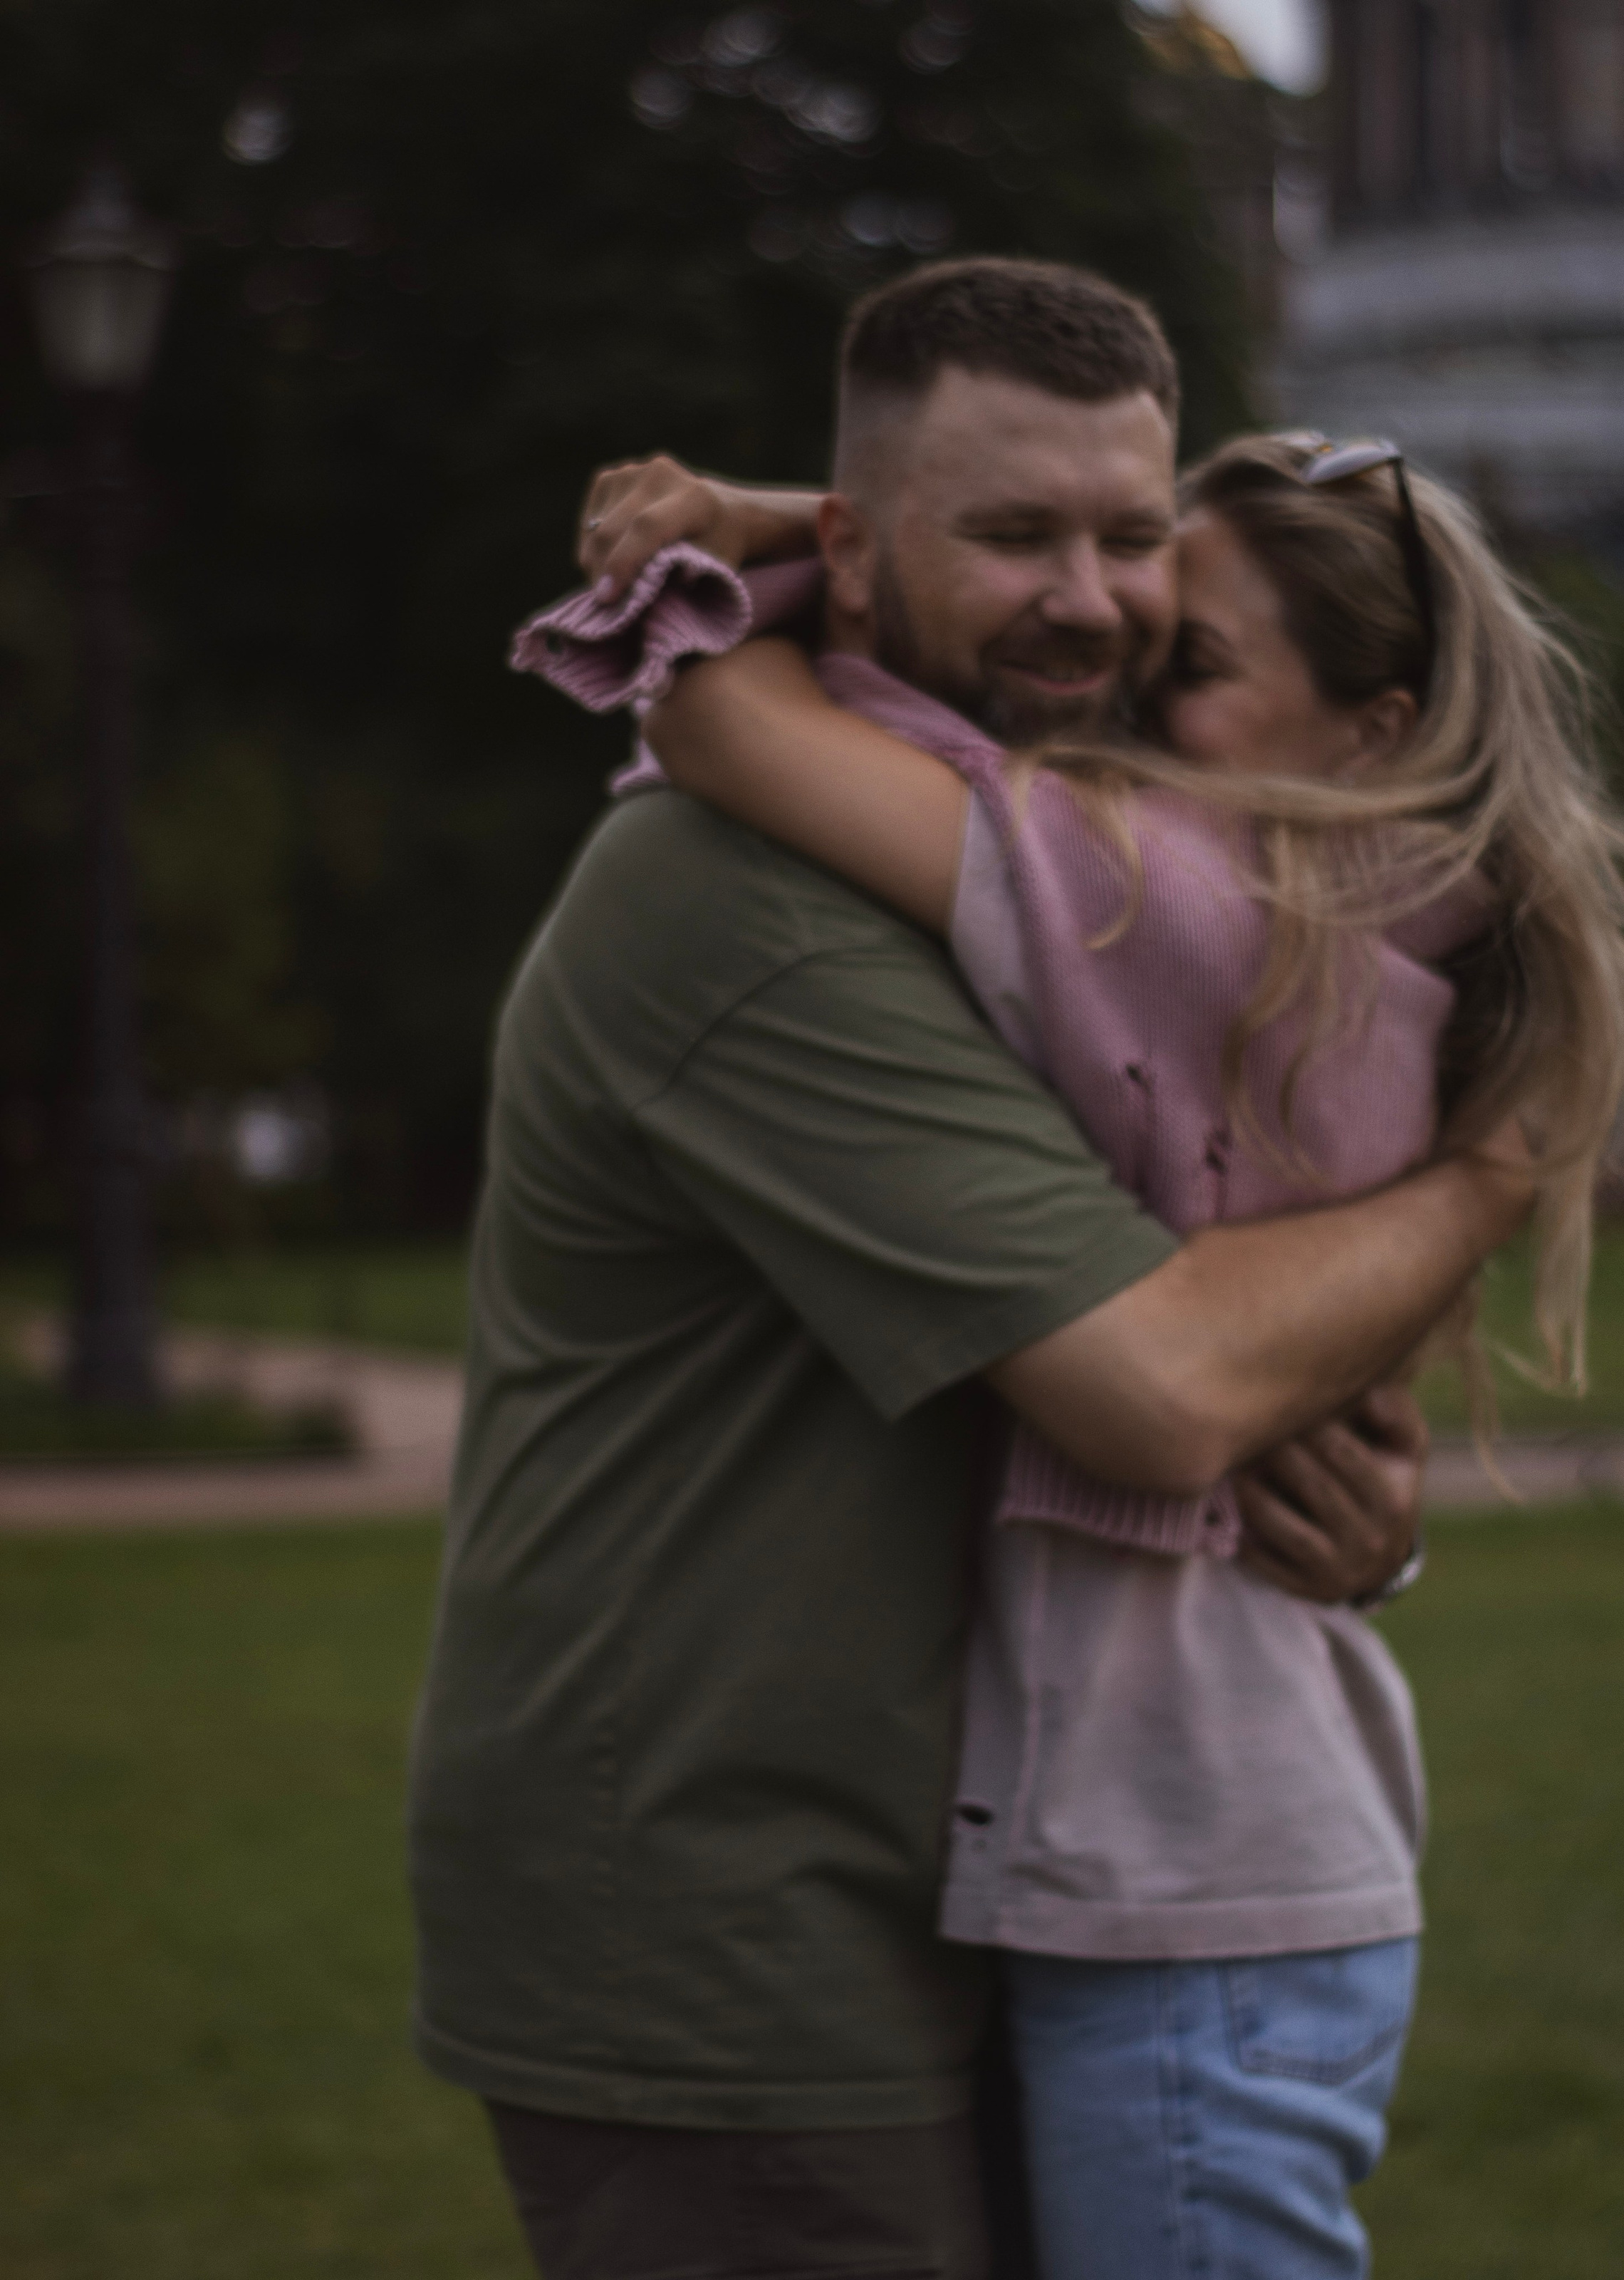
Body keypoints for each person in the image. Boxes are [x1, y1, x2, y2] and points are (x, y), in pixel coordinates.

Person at [409, 259, 1536, 2280]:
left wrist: (1356, 1527)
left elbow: (1228, 1314)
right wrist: (1491, 1175)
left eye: (1130, 539)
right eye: (1011, 535)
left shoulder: (1057, 874)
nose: (1088, 603)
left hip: (959, 1887)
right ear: (856, 547)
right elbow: (1167, 1386)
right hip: (733, 1930)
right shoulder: (750, 900)